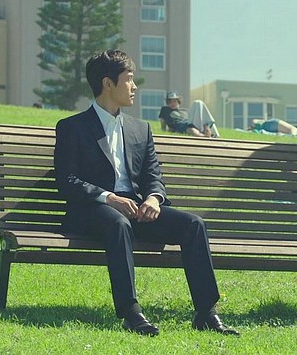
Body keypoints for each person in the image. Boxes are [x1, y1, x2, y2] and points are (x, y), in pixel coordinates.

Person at [54, 50, 238, 337]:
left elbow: (153, 175)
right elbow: (67, 180)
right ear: (108, 84)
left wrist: (154, 199)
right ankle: (131, 313)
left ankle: (206, 313)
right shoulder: (72, 127)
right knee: (118, 222)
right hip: (92, 211)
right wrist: (108, 198)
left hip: (136, 210)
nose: (134, 86)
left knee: (193, 224)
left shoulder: (140, 129)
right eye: (128, 79)